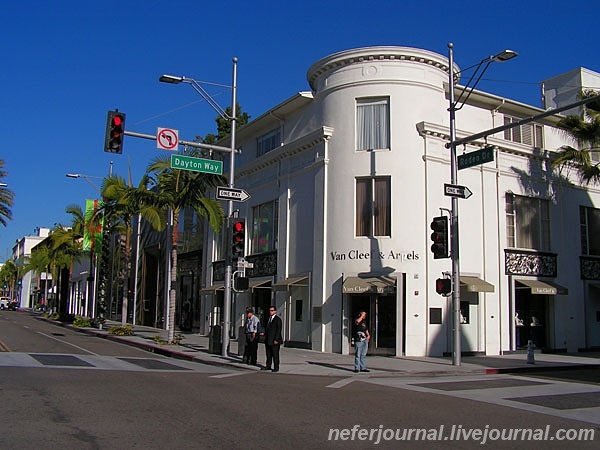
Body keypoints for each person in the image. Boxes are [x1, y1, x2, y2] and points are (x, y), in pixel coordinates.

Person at [263, 305, 283, 372]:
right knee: (268, 354)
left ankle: (276, 367)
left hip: (275, 340)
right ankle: (268, 365)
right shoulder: (269, 319)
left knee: (275, 354)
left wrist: (276, 339)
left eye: (272, 310)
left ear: (275, 311)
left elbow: (278, 330)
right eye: (270, 310)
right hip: (268, 339)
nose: (270, 312)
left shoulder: (278, 319)